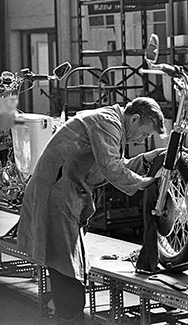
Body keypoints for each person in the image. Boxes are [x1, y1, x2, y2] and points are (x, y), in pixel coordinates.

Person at [16, 97, 167, 325]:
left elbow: (112, 165)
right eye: (144, 135)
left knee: (66, 268)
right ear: (134, 118)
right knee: (66, 270)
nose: (140, 141)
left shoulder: (110, 122)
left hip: (63, 193)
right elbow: (112, 168)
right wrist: (144, 183)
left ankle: (66, 315)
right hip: (56, 195)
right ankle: (67, 318)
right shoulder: (108, 123)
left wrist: (145, 159)